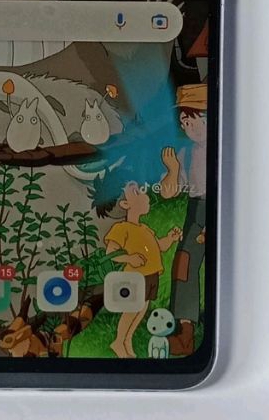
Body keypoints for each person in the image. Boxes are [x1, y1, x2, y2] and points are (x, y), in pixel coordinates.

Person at [89, 170, 182, 358]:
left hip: (151, 275)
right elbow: (111, 253)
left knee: (141, 309)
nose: (144, 193)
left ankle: (127, 341)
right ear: (125, 204)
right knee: (131, 310)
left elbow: (160, 246)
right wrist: (129, 258)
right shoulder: (122, 228)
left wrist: (170, 238)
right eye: (136, 191)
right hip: (134, 278)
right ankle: (118, 341)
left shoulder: (144, 228)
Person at [159, 83, 209, 356]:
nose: (187, 126)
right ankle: (185, 332)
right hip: (195, 209)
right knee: (184, 264)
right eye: (183, 122)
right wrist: (173, 170)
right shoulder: (186, 152)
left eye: (191, 119)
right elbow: (168, 193)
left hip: (220, 207)